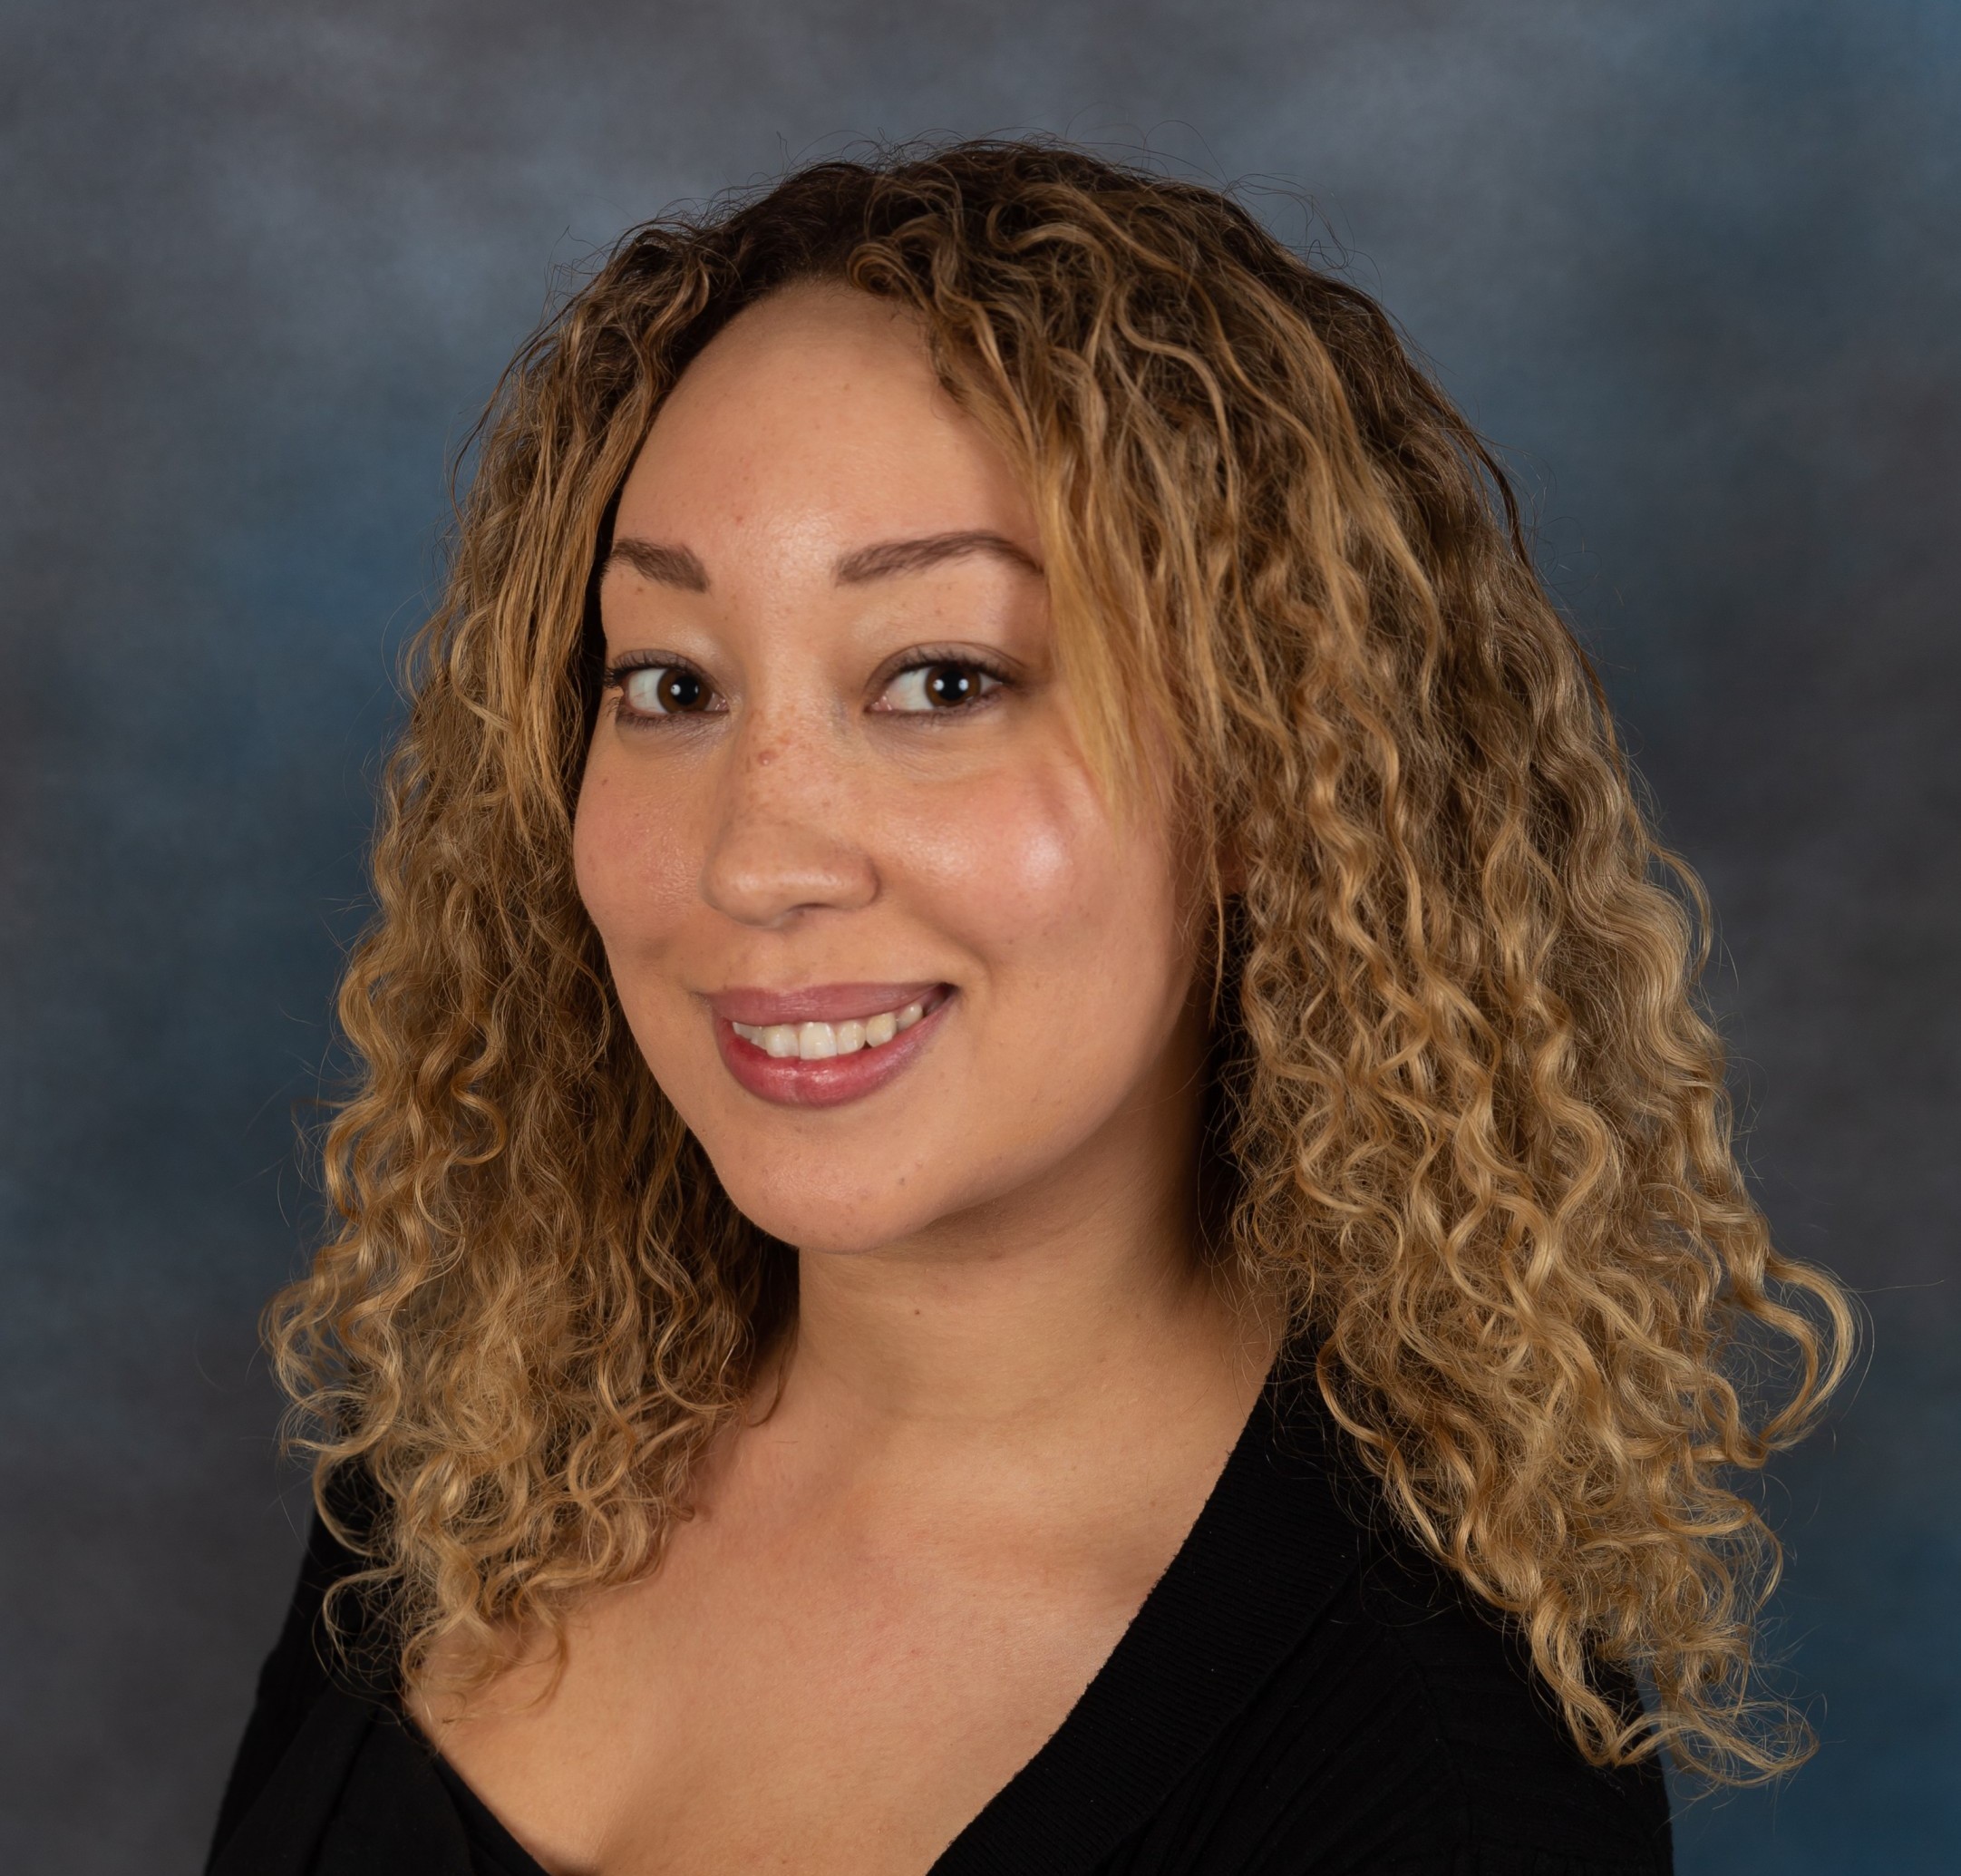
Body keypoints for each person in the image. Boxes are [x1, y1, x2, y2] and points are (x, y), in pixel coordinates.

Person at [208, 141, 1851, 1876]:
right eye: (672, 682)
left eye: (943, 678)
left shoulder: (1427, 1791)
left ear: (1267, 775)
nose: (755, 859)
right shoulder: (477, 1445)